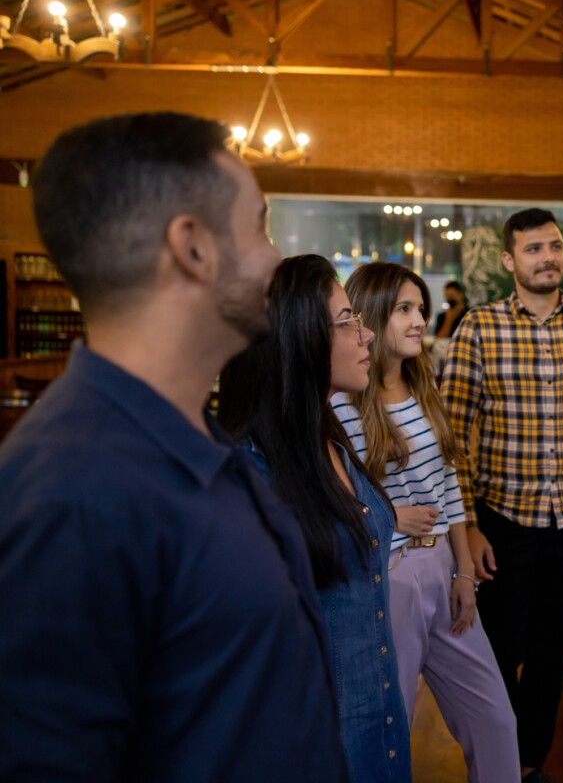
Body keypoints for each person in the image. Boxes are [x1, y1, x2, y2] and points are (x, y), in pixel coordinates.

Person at [0, 113, 349, 781]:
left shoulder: (198, 438)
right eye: (258, 226)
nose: (275, 256)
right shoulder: (68, 498)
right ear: (193, 247)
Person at [441, 208, 563, 783]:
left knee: (554, 655)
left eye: (553, 246)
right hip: (503, 523)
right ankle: (495, 764)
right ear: (509, 261)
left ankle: (528, 765)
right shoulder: (478, 328)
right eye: (533, 249)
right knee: (499, 653)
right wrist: (469, 526)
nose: (547, 257)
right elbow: (454, 435)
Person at [218, 255, 412, 783]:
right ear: (299, 336)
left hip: (380, 723)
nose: (366, 334)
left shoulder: (330, 438)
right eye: (348, 321)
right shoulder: (249, 471)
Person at [334, 261, 520, 782]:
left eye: (420, 308)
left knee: (495, 721)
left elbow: (450, 484)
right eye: (404, 310)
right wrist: (390, 518)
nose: (420, 320)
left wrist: (463, 570)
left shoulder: (424, 384)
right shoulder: (341, 404)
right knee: (391, 732)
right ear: (370, 316)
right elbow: (326, 504)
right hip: (388, 578)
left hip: (444, 568)